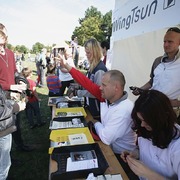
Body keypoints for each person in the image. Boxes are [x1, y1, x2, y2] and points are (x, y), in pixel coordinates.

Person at [59, 60, 138, 179]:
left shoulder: (124, 109)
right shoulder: (106, 96)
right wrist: (69, 67)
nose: (100, 88)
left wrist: (96, 123)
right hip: (110, 148)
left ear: (116, 88)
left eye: (104, 85)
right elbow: (86, 83)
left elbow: (106, 138)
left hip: (122, 157)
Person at [121, 90, 180, 179]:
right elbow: (146, 148)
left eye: (146, 121)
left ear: (162, 117)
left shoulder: (177, 145)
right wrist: (135, 154)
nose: (142, 125)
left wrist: (149, 174)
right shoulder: (146, 129)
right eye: (140, 120)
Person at [132, 27, 180, 118]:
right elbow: (152, 81)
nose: (166, 44)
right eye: (164, 41)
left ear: (179, 43)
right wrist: (140, 89)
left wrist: (174, 103)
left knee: (164, 132)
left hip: (169, 111)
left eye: (170, 42)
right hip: (152, 106)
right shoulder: (158, 61)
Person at [0, 26, 32, 152]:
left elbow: (14, 72)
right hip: (3, 96)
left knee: (16, 122)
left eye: (4, 42)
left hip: (14, 94)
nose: (2, 47)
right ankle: (7, 155)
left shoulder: (10, 53)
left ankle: (19, 146)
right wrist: (11, 86)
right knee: (4, 126)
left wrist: (20, 81)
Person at [70, 38, 108, 121]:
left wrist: (78, 92)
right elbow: (88, 84)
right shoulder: (93, 67)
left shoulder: (100, 70)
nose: (86, 55)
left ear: (94, 52)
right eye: (86, 52)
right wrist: (79, 86)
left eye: (88, 53)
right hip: (91, 107)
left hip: (97, 111)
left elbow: (97, 92)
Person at [0, 85, 26, 180]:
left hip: (4, 129)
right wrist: (16, 107)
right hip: (2, 131)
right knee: (3, 164)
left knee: (5, 160)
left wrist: (9, 94)